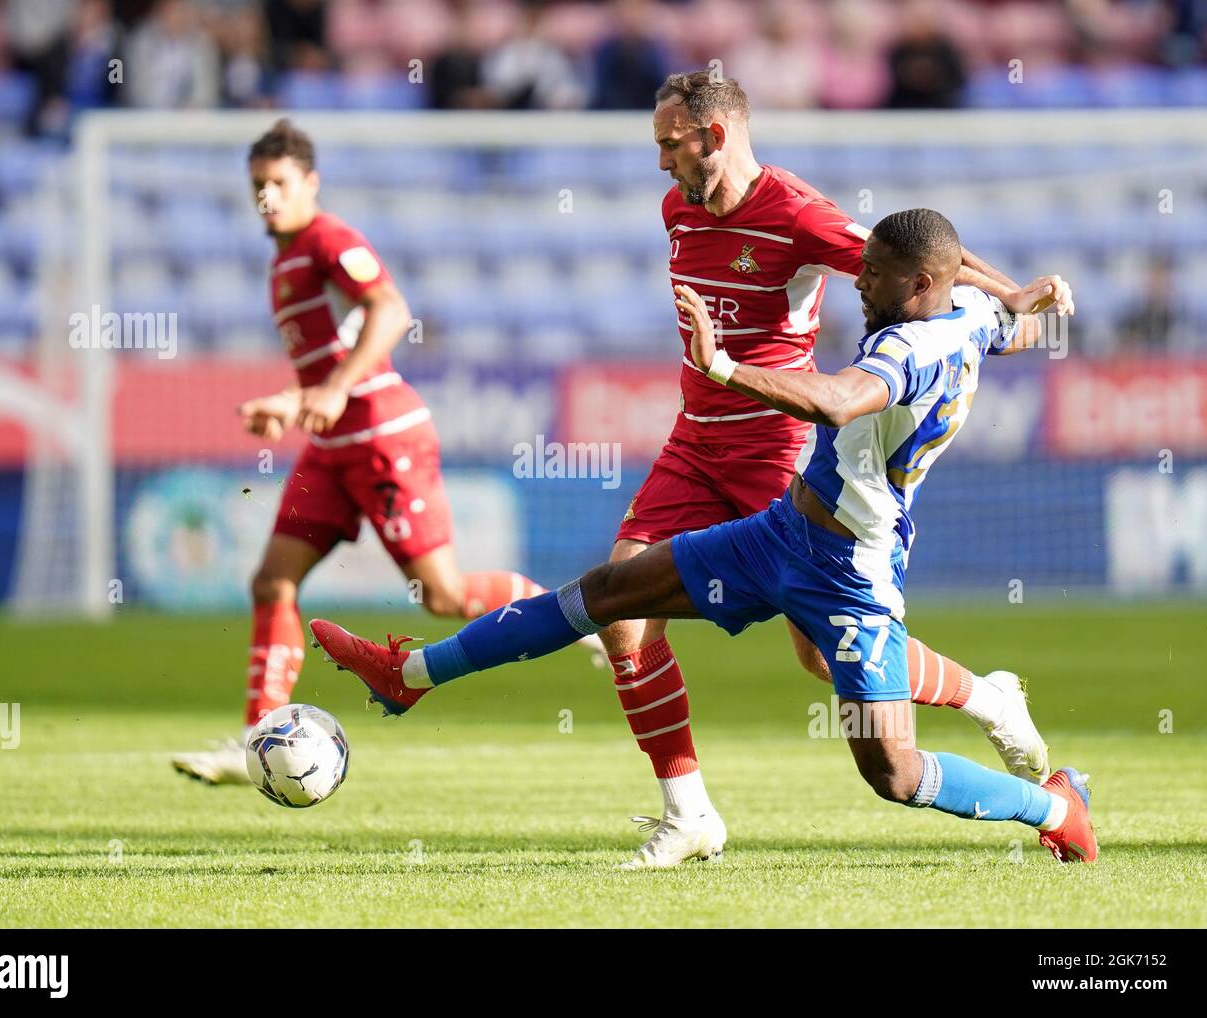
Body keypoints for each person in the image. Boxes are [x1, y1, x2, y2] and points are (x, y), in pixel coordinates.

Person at [310, 208, 1096, 867]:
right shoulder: (964, 319)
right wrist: (1026, 304)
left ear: (922, 284)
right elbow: (1008, 331)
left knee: (891, 772)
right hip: (779, 533)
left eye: (876, 272)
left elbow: (833, 401)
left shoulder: (908, 345)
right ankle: (408, 673)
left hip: (851, 574)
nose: (858, 279)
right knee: (608, 594)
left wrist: (724, 367)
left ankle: (1053, 807)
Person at [171, 119, 600, 785]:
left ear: (309, 183)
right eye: (257, 186)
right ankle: (257, 734)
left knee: (445, 596)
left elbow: (392, 310)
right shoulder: (283, 260)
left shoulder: (327, 238)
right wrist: (292, 401)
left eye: (279, 184)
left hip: (381, 437)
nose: (266, 197)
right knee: (272, 581)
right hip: (331, 447)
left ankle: (572, 609)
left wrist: (336, 389)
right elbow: (329, 361)